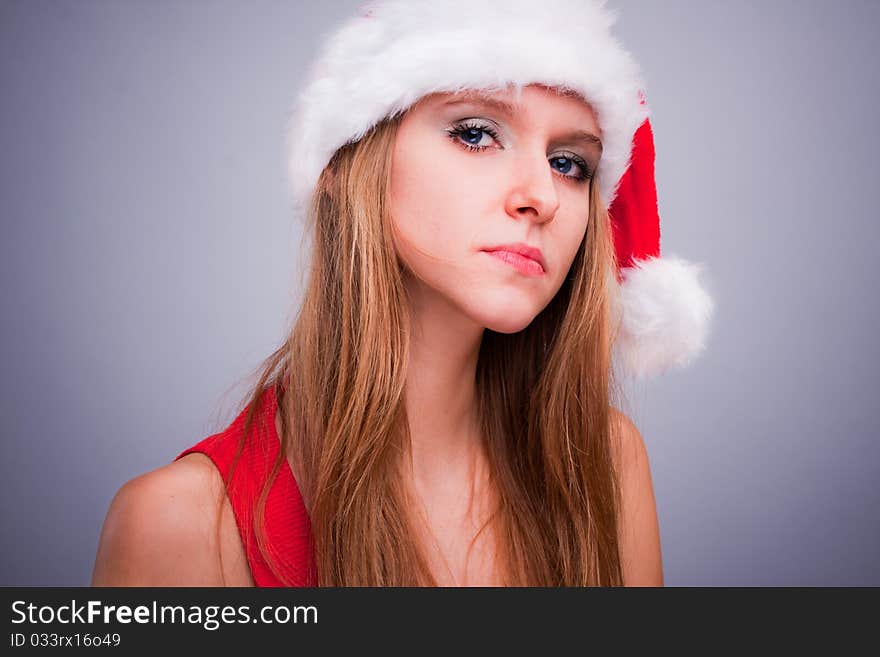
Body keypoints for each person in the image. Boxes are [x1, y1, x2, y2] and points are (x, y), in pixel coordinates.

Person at [91, 0, 712, 587]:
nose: (543, 197)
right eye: (475, 134)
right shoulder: (180, 527)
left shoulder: (602, 466)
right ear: (347, 163)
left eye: (569, 163)